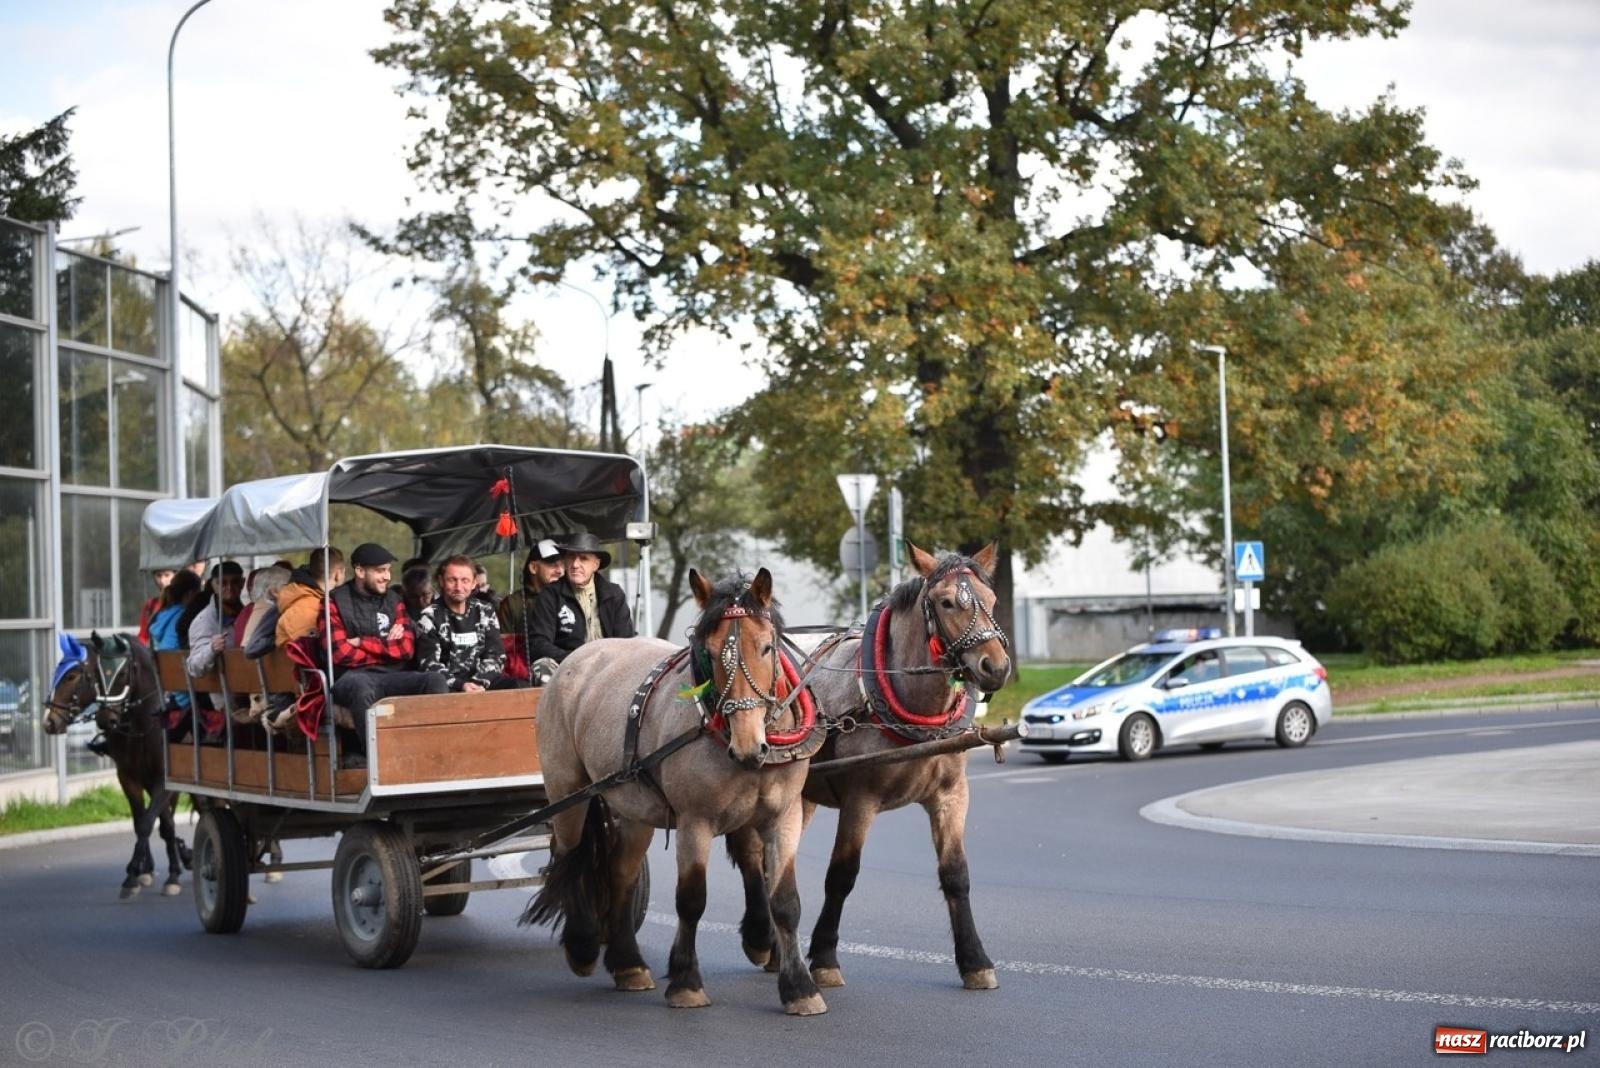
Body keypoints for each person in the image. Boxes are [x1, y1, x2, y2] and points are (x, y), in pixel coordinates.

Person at [323, 542, 447, 769]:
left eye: (388, 570)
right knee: (362, 688)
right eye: (380, 571)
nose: (387, 577)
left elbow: (406, 649)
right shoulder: (333, 602)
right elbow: (340, 653)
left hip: (394, 675)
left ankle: (433, 757)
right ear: (360, 571)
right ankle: (381, 764)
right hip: (351, 677)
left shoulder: (393, 600)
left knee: (435, 679)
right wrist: (386, 647)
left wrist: (363, 642)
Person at [526, 531, 635, 675]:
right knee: (543, 666)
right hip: (567, 668)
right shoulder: (550, 595)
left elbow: (626, 641)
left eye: (583, 558)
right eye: (571, 557)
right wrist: (577, 659)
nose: (575, 564)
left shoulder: (614, 594)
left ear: (595, 565)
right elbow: (538, 644)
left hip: (609, 669)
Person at [416, 555, 520, 692]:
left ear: (473, 583)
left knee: (519, 685)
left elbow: (495, 656)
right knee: (436, 684)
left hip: (482, 681)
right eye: (452, 580)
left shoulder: (486, 611)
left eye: (465, 580)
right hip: (448, 686)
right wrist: (462, 685)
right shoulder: (429, 617)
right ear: (441, 581)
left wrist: (478, 682)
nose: (459, 587)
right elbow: (429, 665)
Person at [497, 539, 564, 680]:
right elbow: (506, 652)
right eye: (552, 564)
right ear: (533, 568)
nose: (559, 570)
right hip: (528, 676)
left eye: (562, 564)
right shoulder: (512, 604)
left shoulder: (570, 599)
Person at [275, 547, 344, 648]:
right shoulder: (307, 607)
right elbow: (312, 651)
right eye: (344, 572)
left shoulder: (308, 599)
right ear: (337, 574)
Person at [136, 568, 176, 644]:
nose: (162, 581)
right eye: (158, 575)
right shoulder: (150, 605)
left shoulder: (182, 604)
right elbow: (143, 635)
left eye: (167, 575)